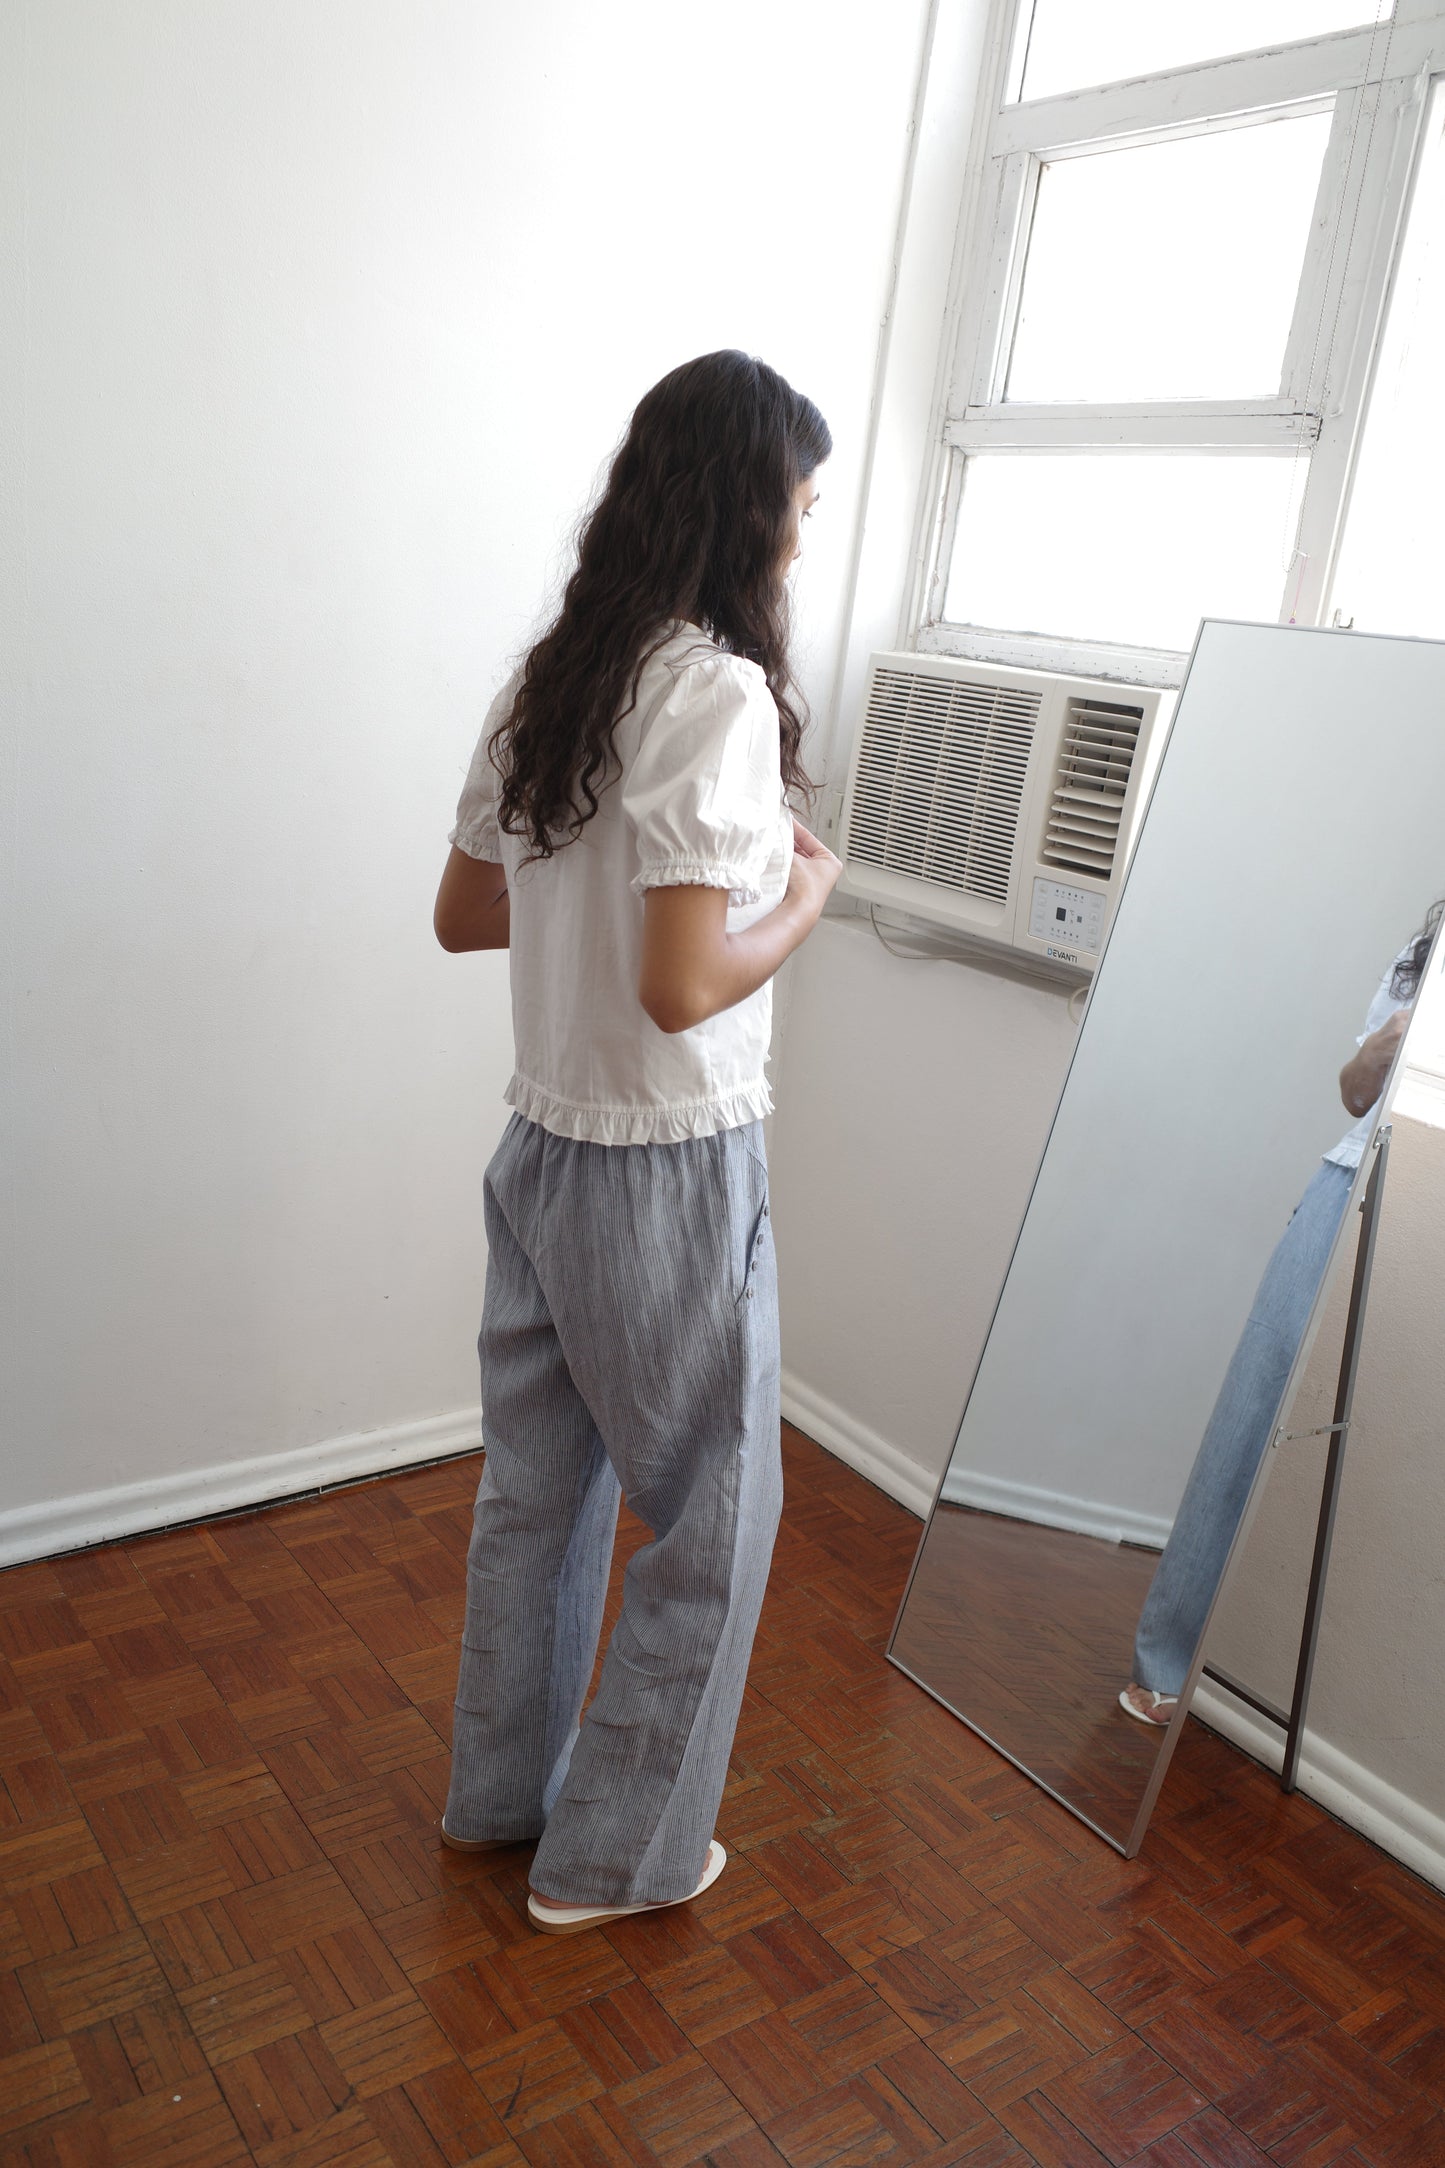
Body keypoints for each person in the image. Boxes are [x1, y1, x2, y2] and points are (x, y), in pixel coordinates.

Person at [431, 352, 840, 1930]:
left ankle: (497, 1803)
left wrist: (582, 909)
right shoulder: (719, 695)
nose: (801, 542)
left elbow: (466, 915)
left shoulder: (558, 675)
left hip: (538, 1146)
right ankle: (613, 1862)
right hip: (667, 1164)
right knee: (717, 1517)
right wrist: (800, 900)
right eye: (797, 508)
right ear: (747, 512)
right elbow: (682, 988)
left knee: (536, 1498)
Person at [1119, 903, 1442, 1726]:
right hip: (1351, 1178)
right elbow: (1351, 1094)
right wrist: (1388, 1039)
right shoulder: (1425, 947)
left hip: (1424, 1203)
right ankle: (1164, 1662)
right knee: (1250, 1410)